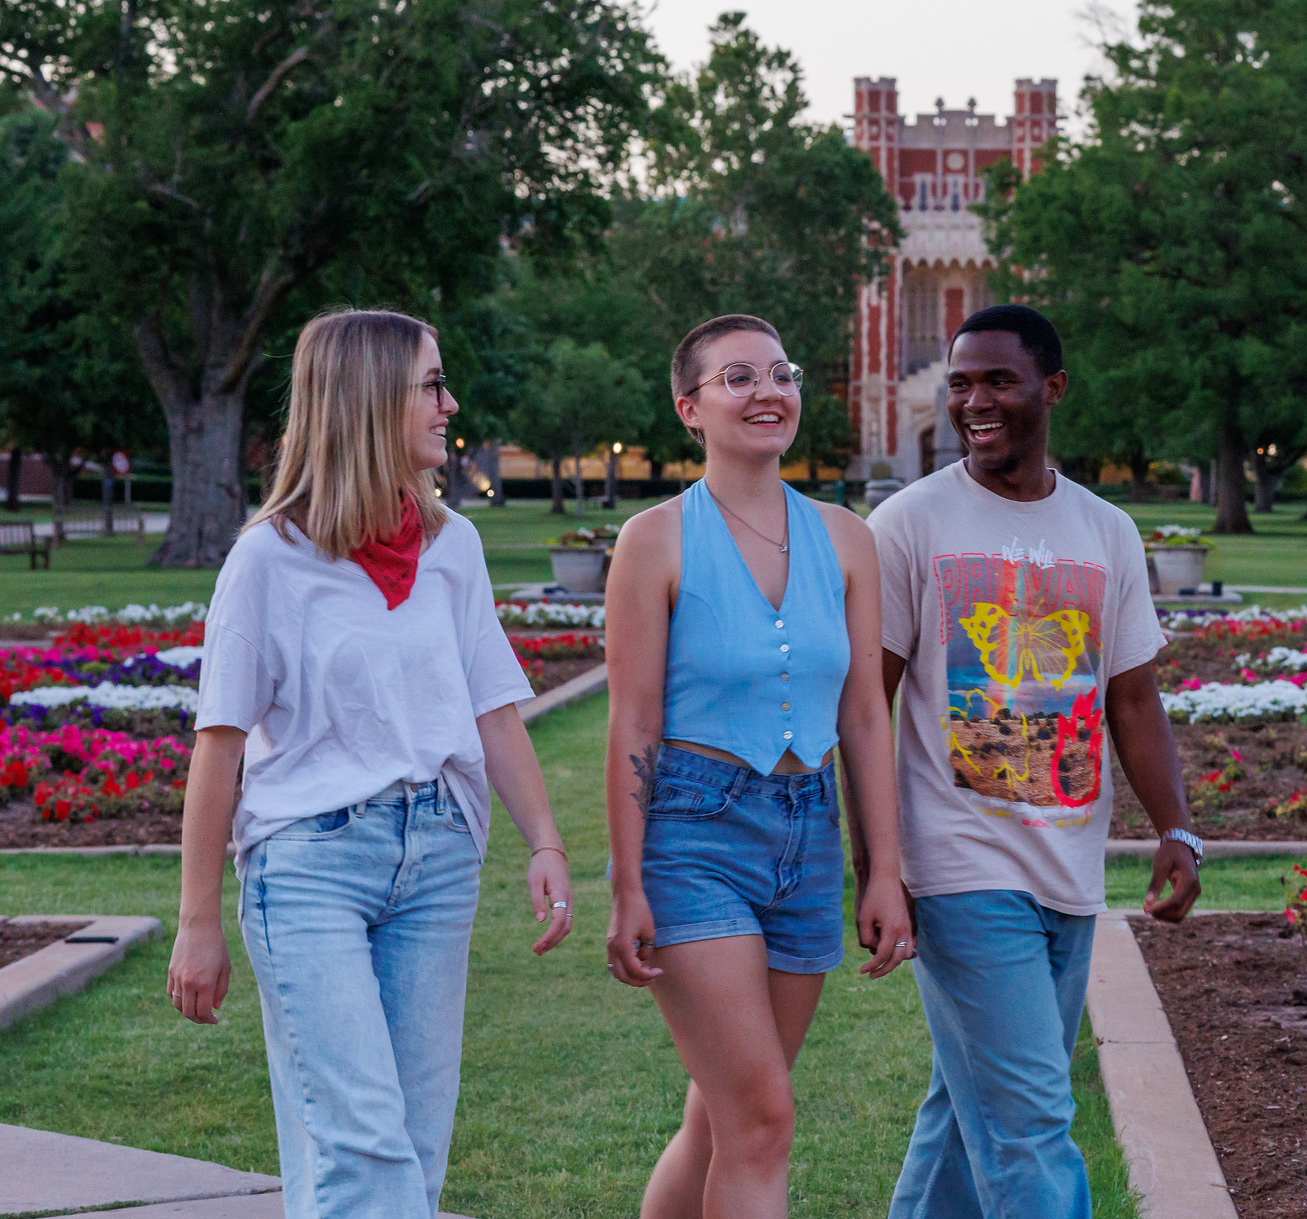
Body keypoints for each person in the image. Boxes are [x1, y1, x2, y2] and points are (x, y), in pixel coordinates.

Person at [166, 308, 574, 1219]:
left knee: (410, 1151)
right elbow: (219, 745)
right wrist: (198, 921)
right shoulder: (267, 560)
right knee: (363, 1144)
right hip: (307, 867)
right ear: (367, 399)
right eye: (431, 384)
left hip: (437, 859)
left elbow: (493, 706)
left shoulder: (453, 548)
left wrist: (543, 839)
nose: (450, 403)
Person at [865, 303, 1204, 1219]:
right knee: (1030, 1128)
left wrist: (1176, 828)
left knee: (966, 1109)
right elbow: (867, 702)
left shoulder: (1106, 531)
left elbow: (1131, 697)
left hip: (1067, 864)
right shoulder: (909, 523)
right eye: (961, 382)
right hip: (959, 867)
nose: (975, 400)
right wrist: (879, 866)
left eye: (998, 381)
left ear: (1051, 390)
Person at [603, 313, 916, 1219]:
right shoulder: (654, 540)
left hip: (809, 836)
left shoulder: (848, 538)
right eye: (737, 378)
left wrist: (882, 871)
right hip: (694, 838)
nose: (767, 391)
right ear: (688, 409)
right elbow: (634, 721)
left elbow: (863, 710)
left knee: (721, 1117)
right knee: (762, 1118)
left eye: (780, 372)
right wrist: (628, 885)